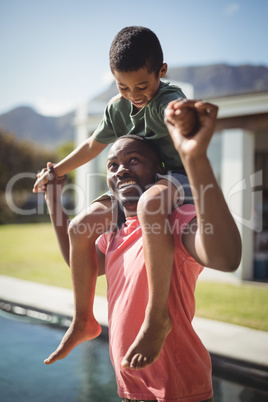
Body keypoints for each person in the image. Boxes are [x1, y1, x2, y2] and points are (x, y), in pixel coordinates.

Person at [44, 99, 241, 402]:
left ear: (158, 171)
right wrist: (53, 202)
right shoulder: (113, 233)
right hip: (130, 390)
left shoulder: (174, 220)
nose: (121, 170)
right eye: (112, 165)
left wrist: (195, 159)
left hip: (178, 390)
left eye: (133, 160)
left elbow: (226, 258)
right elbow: (81, 264)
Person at [33, 26, 197, 368]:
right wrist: (56, 171)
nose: (134, 94)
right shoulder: (117, 108)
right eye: (123, 86)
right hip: (134, 189)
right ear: (113, 79)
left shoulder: (168, 100)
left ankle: (157, 316)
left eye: (142, 85)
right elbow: (93, 145)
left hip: (177, 180)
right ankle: (83, 320)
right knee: (80, 227)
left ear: (161, 72)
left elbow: (186, 125)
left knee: (153, 204)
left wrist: (185, 120)